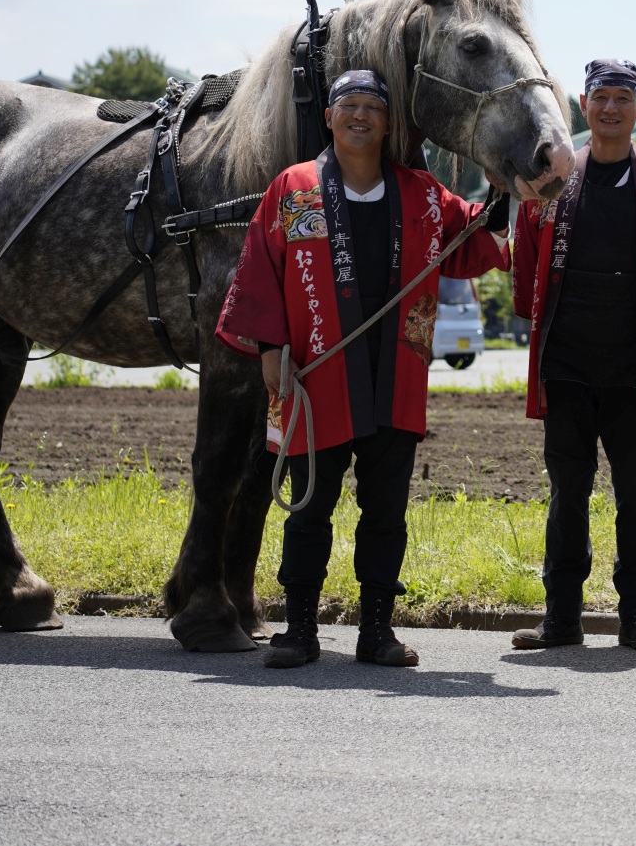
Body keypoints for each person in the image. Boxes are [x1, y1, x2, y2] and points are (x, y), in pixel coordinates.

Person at [216, 69, 507, 669]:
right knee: (309, 508)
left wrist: (510, 192)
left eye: (373, 106)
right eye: (347, 104)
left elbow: (476, 237)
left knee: (386, 514)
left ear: (388, 122)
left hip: (396, 379)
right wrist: (271, 349)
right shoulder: (295, 190)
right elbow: (262, 269)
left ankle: (377, 632)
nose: (360, 114)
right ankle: (299, 631)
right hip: (317, 380)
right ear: (329, 117)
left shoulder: (424, 193)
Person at [508, 59, 636, 652]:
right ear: (581, 107)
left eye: (622, 98)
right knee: (568, 491)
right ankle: (561, 617)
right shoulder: (555, 174)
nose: (610, 109)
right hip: (565, 361)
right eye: (599, 98)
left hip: (635, 364)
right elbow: (526, 255)